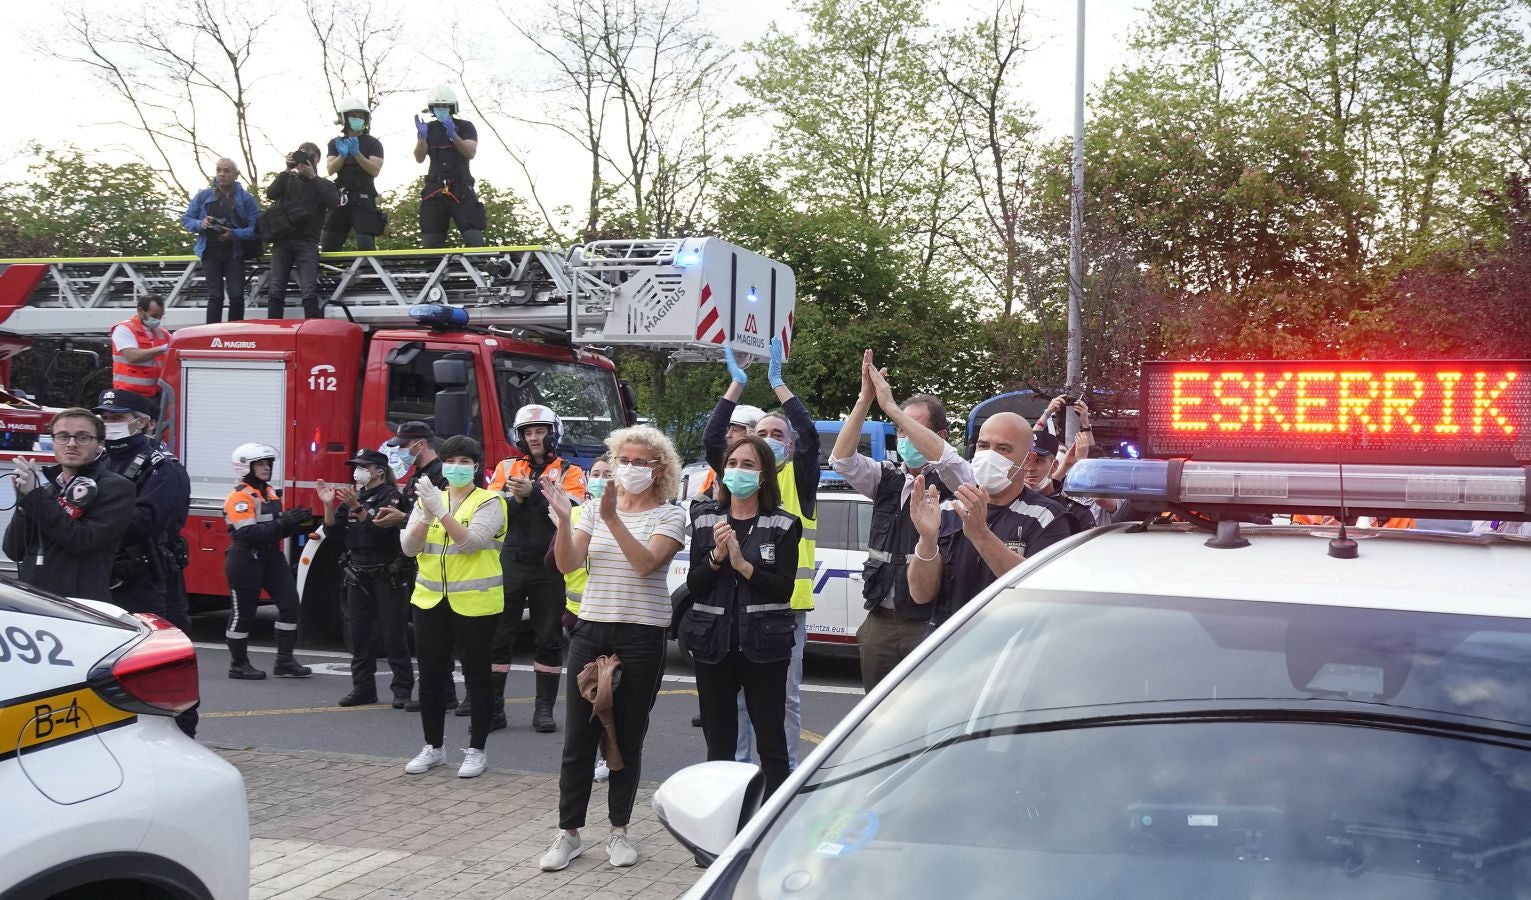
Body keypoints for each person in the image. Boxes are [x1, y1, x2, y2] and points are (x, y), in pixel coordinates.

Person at [540, 425, 686, 872]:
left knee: (625, 734)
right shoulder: (590, 511)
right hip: (592, 628)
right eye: (624, 459)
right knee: (578, 737)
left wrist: (612, 519)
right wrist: (567, 519)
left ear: (659, 468)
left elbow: (646, 564)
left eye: (640, 461)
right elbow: (567, 564)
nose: (630, 468)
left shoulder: (670, 515)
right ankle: (568, 833)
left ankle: (619, 831)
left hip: (642, 633)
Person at [702, 337, 818, 770]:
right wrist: (736, 384)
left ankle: (781, 773)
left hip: (784, 606)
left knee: (779, 702)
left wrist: (778, 386)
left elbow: (807, 432)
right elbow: (714, 437)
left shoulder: (798, 481)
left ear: (788, 446)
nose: (769, 440)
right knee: (733, 702)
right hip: (732, 601)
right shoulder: (737, 476)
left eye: (777, 434)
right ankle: (737, 772)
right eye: (761, 434)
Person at [829, 351, 971, 691]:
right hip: (881, 620)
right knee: (874, 717)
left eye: (915, 429)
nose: (906, 438)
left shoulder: (956, 479)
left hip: (930, 623)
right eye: (900, 430)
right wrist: (865, 401)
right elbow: (842, 460)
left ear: (941, 433)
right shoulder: (886, 478)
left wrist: (892, 407)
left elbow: (947, 459)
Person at [683, 435, 802, 797]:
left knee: (771, 744)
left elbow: (783, 589)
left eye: (748, 465)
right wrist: (717, 558)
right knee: (719, 746)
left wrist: (743, 565)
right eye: (732, 464)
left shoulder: (782, 524)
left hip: (764, 647)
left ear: (764, 475)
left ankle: (772, 826)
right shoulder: (706, 521)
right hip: (713, 646)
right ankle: (720, 825)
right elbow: (695, 585)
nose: (738, 471)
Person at [399, 435, 506, 779]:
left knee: (477, 676)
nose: (457, 468)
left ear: (476, 467)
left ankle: (476, 750)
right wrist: (425, 513)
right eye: (451, 461)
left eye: (465, 462)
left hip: (475, 602)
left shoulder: (491, 501)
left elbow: (472, 543)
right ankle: (433, 747)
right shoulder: (430, 498)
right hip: (430, 599)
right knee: (430, 675)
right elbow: (409, 548)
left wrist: (440, 511)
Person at [96, 389, 199, 738]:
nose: (111, 424)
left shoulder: (163, 467)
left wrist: (94, 515)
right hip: (109, 578)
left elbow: (144, 523)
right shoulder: (102, 460)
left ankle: (182, 740)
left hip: (152, 580)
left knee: (162, 667)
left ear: (146, 423)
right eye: (106, 418)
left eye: (119, 417)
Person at [908, 412, 1073, 628]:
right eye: (983, 446)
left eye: (1003, 449)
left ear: (1028, 460)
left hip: (1009, 648)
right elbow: (920, 595)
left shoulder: (1048, 517)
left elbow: (1038, 591)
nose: (989, 456)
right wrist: (927, 540)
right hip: (948, 644)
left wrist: (981, 534)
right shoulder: (948, 509)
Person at [479, 404, 587, 733]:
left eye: (540, 431)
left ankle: (543, 710)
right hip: (510, 561)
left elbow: (570, 510)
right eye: (528, 432)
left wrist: (535, 493)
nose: (534, 437)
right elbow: (490, 508)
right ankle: (494, 708)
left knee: (549, 638)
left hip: (549, 565)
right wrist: (518, 498)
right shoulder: (506, 466)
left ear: (553, 433)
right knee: (499, 637)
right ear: (520, 436)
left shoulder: (570, 471)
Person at [3, 408, 135, 603]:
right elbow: (14, 550)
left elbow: (82, 541)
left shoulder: (117, 487)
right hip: (34, 603)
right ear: (53, 442)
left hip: (81, 606)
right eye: (63, 436)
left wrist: (35, 497)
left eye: (82, 437)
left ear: (99, 445)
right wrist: (24, 501)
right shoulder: (46, 489)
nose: (71, 444)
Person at [318, 449, 413, 709]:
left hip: (387, 573)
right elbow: (333, 532)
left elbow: (377, 531)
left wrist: (357, 508)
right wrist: (328, 505)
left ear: (379, 471)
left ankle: (402, 690)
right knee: (359, 635)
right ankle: (363, 688)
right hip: (357, 574)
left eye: (363, 466)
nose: (357, 471)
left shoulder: (392, 497)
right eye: (356, 466)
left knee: (394, 634)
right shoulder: (353, 496)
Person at [375, 421, 457, 712]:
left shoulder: (440, 475)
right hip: (418, 562)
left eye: (404, 446)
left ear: (420, 444)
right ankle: (438, 692)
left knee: (439, 633)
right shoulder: (418, 476)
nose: (401, 452)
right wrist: (400, 514)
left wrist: (402, 516)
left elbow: (446, 514)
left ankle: (444, 693)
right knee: (429, 634)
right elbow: (414, 512)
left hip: (438, 565)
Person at [224, 442, 317, 680]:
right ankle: (238, 664)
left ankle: (284, 661)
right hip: (246, 558)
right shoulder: (239, 497)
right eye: (260, 464)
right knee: (243, 613)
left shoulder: (270, 493)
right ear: (246, 467)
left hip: (270, 556)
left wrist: (297, 523)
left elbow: (277, 531)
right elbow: (247, 533)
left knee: (289, 604)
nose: (266, 468)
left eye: (268, 463)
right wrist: (282, 523)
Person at [557, 455, 612, 782]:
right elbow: (555, 561)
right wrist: (563, 524)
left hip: (611, 616)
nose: (601, 478)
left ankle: (609, 754)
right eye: (596, 473)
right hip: (577, 617)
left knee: (609, 692)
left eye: (608, 473)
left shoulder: (621, 515)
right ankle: (587, 757)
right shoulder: (575, 514)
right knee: (583, 694)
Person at [264, 142, 339, 319]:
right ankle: (274, 331)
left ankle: (311, 332)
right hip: (282, 240)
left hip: (308, 242)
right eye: (301, 155)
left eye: (309, 156)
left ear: (317, 159)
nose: (305, 160)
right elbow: (271, 193)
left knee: (309, 289)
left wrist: (313, 177)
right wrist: (286, 169)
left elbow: (332, 202)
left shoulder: (324, 184)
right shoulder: (288, 179)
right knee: (276, 288)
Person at [182, 158, 260, 323]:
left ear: (236, 175)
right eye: (219, 170)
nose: (222, 174)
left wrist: (233, 234)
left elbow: (256, 229)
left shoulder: (246, 199)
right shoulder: (203, 196)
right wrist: (200, 223)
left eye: (226, 171)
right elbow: (187, 219)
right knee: (215, 296)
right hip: (209, 252)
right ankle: (211, 335)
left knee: (237, 296)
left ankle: (235, 335)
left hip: (234, 253)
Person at [413, 84, 484, 248]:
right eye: (437, 106)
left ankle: (477, 271)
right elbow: (419, 158)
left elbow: (470, 153)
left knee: (474, 238)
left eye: (444, 106)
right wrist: (422, 139)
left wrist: (454, 136)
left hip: (461, 187)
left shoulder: (465, 126)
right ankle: (434, 271)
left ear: (452, 107)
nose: (440, 109)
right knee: (430, 241)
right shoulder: (428, 128)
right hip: (434, 189)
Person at [322, 98, 386, 252]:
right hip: (340, 197)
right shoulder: (335, 143)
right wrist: (342, 156)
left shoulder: (373, 143)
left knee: (365, 242)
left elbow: (374, 170)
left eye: (361, 116)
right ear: (344, 118)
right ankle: (331, 274)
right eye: (353, 116)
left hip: (364, 197)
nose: (357, 119)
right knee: (329, 242)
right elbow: (330, 169)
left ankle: (369, 274)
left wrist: (357, 154)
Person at [1019, 431, 1096, 533]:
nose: (1030, 468)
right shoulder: (1007, 504)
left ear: (1054, 465)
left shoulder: (1075, 512)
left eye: (1038, 461)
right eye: (1026, 460)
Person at [692, 404, 765, 499]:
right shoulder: (723, 466)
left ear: (752, 433)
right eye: (732, 463)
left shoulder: (769, 466)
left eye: (734, 430)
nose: (728, 435)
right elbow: (700, 501)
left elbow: (711, 439)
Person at [110, 295, 170, 398]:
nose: (158, 320)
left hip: (154, 393)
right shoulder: (124, 329)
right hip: (128, 395)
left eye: (160, 316)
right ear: (140, 311)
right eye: (154, 316)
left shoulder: (162, 333)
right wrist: (162, 348)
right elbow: (132, 356)